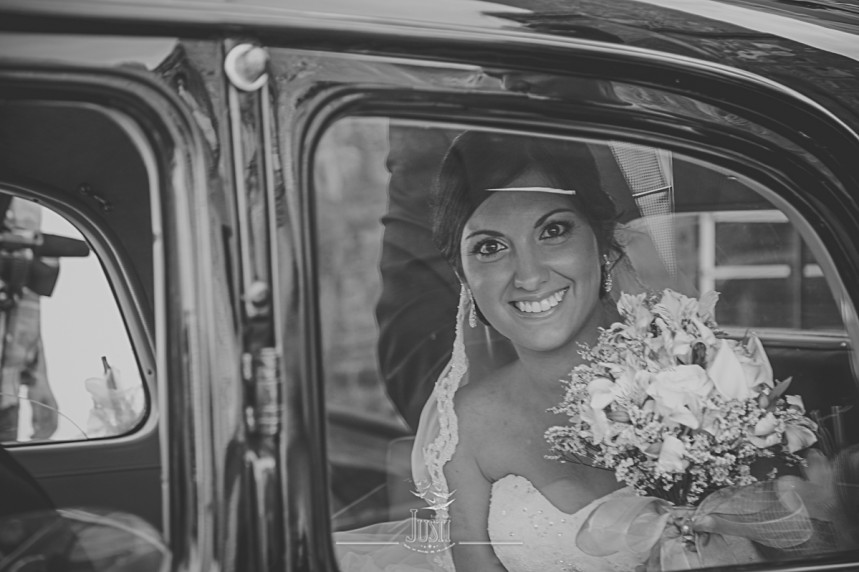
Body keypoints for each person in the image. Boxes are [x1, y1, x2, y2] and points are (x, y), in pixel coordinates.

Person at [336, 131, 645, 571]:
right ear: (464, 277)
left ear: (601, 242)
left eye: (553, 230)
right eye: (490, 247)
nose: (529, 275)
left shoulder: (697, 379)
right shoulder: (466, 427)